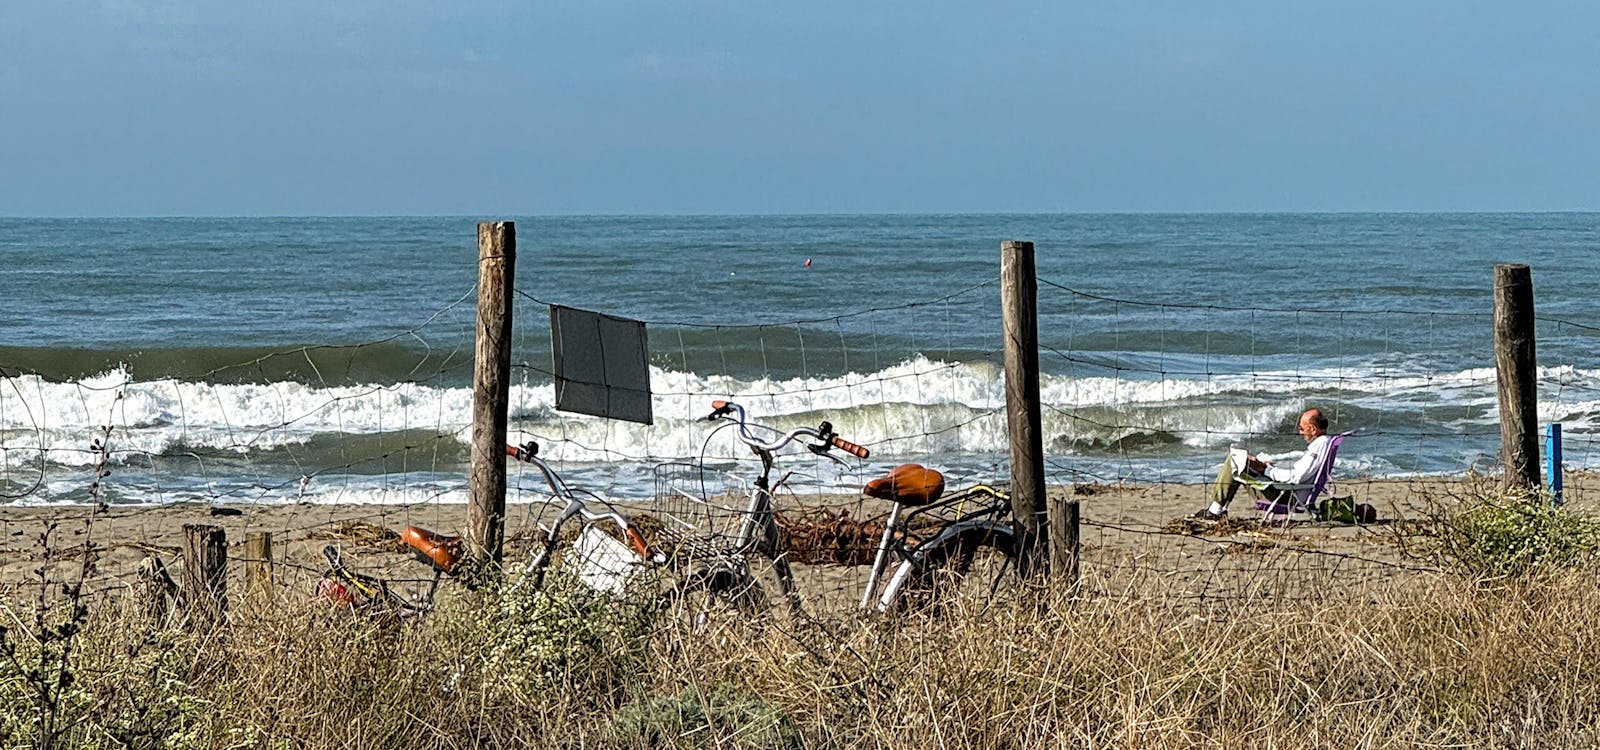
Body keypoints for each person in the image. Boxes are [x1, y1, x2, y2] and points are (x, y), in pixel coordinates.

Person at [1196, 408, 1332, 520]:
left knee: (1234, 462)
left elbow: (1297, 477)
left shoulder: (1318, 447)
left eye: (1302, 428)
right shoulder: (1325, 443)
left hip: (1286, 495)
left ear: (1313, 429)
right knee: (1242, 460)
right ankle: (1218, 508)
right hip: (1290, 490)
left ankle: (1215, 510)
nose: (1300, 432)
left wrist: (1265, 470)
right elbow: (1300, 472)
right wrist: (1272, 467)